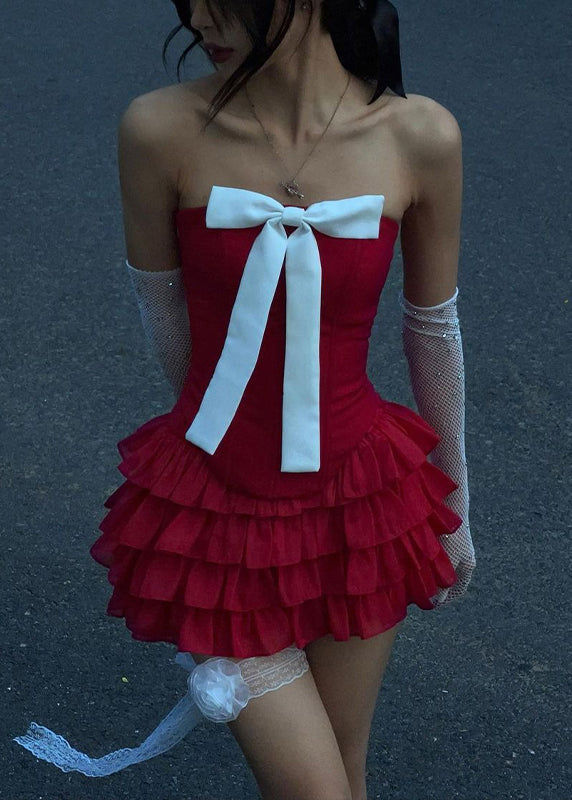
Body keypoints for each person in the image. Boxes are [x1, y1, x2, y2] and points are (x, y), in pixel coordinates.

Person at [14, 0, 476, 796]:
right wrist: (214, 473)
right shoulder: (160, 130)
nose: (197, 16)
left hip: (363, 502)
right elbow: (168, 321)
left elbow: (432, 331)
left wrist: (457, 511)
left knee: (346, 769)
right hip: (214, 509)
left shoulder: (420, 136)